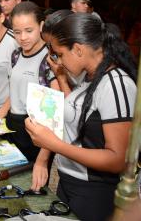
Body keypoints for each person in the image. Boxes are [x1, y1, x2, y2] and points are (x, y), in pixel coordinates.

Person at [25, 15, 136, 221]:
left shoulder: (116, 85)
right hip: (71, 183)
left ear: (78, 49)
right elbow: (78, 112)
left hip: (94, 192)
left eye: (60, 54)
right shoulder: (89, 76)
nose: (58, 60)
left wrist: (54, 144)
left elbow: (118, 159)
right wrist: (60, 76)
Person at [8, 1, 60, 162]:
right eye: (17, 32)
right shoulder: (16, 54)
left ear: (41, 25)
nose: (22, 37)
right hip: (13, 125)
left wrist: (43, 159)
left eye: (29, 30)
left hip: (36, 131)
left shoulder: (50, 59)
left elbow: (55, 114)